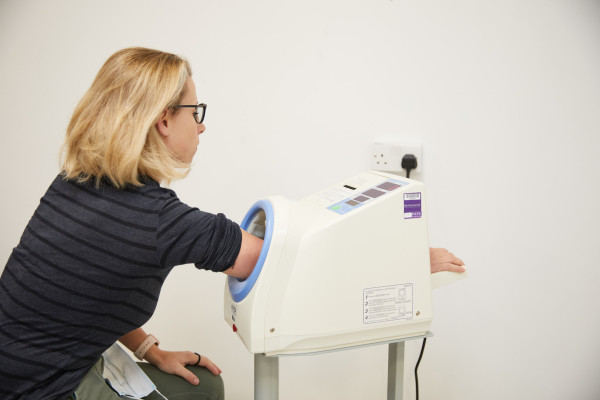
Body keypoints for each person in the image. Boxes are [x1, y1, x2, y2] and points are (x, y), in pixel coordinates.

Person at [0, 47, 464, 400]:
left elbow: (89, 294)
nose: (200, 127)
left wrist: (150, 350)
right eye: (194, 113)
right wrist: (408, 260)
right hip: (40, 387)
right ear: (164, 121)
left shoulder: (75, 182)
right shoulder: (160, 220)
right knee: (208, 391)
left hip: (29, 360)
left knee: (202, 387)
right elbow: (287, 263)